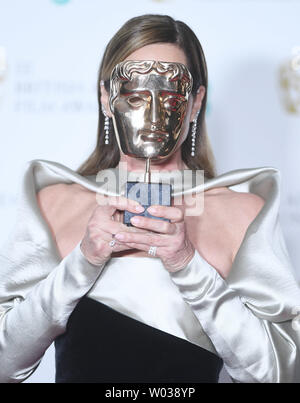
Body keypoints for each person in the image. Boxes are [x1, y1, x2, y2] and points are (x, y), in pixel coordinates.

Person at [1, 14, 300, 384]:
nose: (154, 115)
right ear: (106, 98)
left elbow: (281, 375)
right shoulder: (55, 205)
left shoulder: (240, 213)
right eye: (137, 95)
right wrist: (83, 261)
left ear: (195, 103)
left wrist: (188, 264)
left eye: (171, 95)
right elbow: (5, 364)